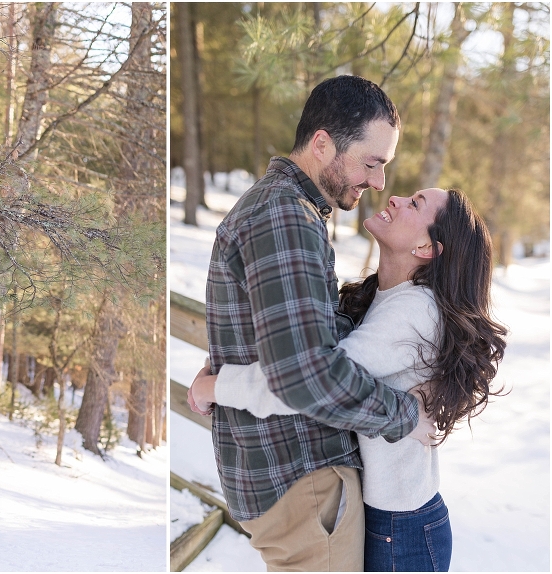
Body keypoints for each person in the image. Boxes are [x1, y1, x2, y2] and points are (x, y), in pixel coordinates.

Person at [186, 75, 438, 571]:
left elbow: (293, 345)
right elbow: (305, 375)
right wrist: (408, 418)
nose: (380, 183)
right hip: (302, 478)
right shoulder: (286, 217)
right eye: (372, 163)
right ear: (322, 144)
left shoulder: (284, 211)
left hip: (292, 479)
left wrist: (218, 382)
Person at [191, 188, 507, 571]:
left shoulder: (413, 311)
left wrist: (214, 386)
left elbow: (307, 380)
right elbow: (297, 350)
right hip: (387, 517)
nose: (396, 198)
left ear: (427, 247)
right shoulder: (386, 296)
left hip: (400, 529)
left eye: (415, 204)